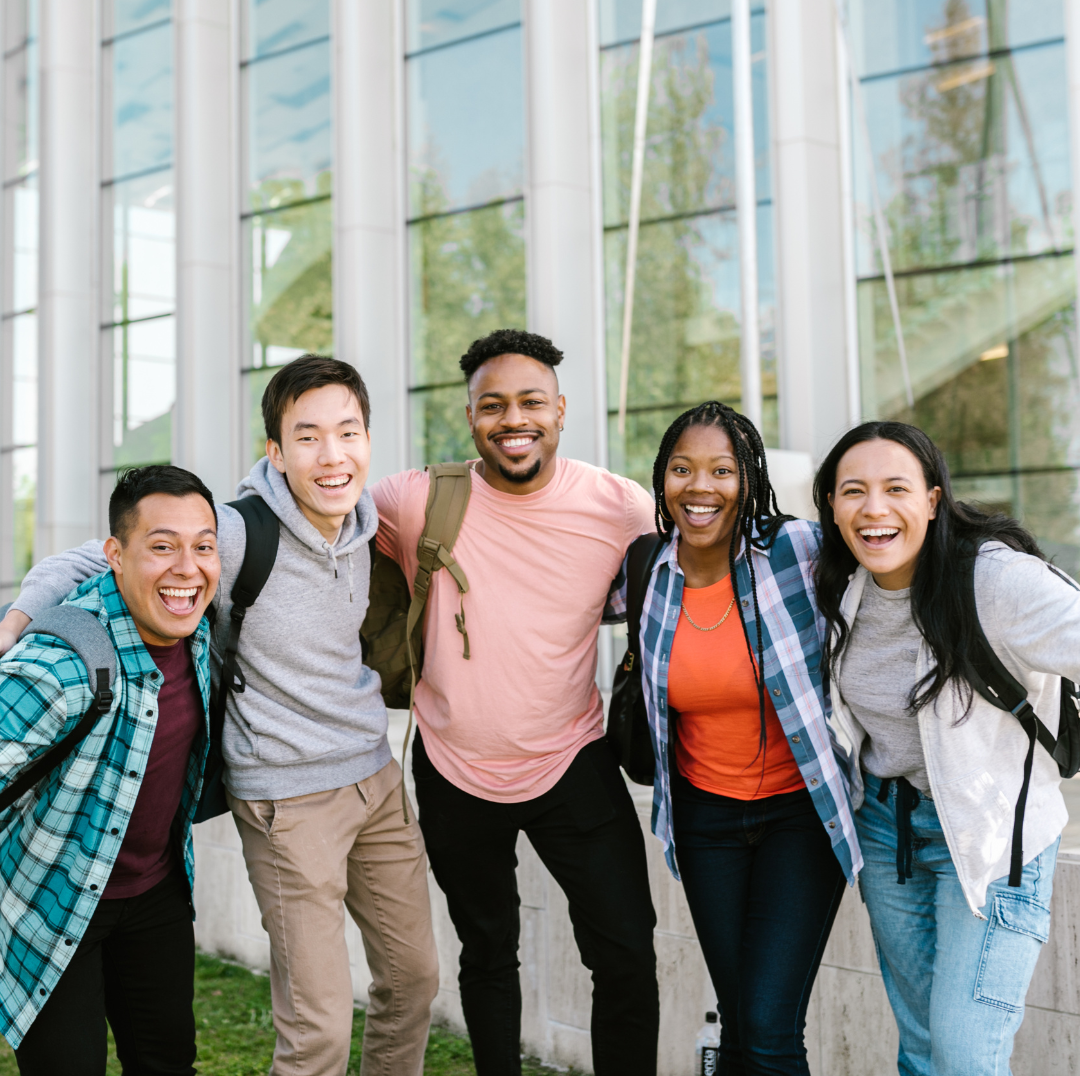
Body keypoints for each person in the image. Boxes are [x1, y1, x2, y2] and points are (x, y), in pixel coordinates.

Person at [0, 357, 439, 1076]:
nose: (331, 456)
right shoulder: (232, 535)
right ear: (276, 451)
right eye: (307, 437)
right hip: (287, 799)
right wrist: (16, 619)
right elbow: (86, 562)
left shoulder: (371, 524)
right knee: (320, 1032)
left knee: (415, 980)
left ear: (367, 438)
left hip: (376, 780)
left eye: (347, 432)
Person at [371, 329, 660, 1076]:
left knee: (626, 951)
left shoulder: (619, 506)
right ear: (470, 417)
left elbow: (715, 544)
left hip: (573, 758)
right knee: (488, 949)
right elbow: (292, 514)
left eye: (531, 401)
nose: (513, 419)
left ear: (560, 411)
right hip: (451, 765)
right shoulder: (414, 500)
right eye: (492, 405)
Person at [813, 420, 1080, 1076]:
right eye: (854, 491)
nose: (874, 509)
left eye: (895, 488)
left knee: (964, 1056)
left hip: (991, 839)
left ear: (932, 500)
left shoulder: (994, 581)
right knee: (924, 1047)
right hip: (887, 833)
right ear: (832, 506)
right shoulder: (843, 585)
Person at [606, 402, 860, 1076]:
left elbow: (897, 566)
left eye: (722, 470)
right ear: (662, 478)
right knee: (742, 1023)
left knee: (772, 1026)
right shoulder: (646, 569)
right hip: (704, 818)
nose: (701, 487)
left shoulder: (797, 550)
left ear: (749, 479)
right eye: (682, 469)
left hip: (800, 816)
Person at [0, 465, 220, 1074]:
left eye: (202, 546)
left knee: (168, 1061)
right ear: (114, 558)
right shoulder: (65, 659)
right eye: (161, 547)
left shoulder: (197, 624)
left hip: (156, 893)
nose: (186, 568)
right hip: (53, 900)